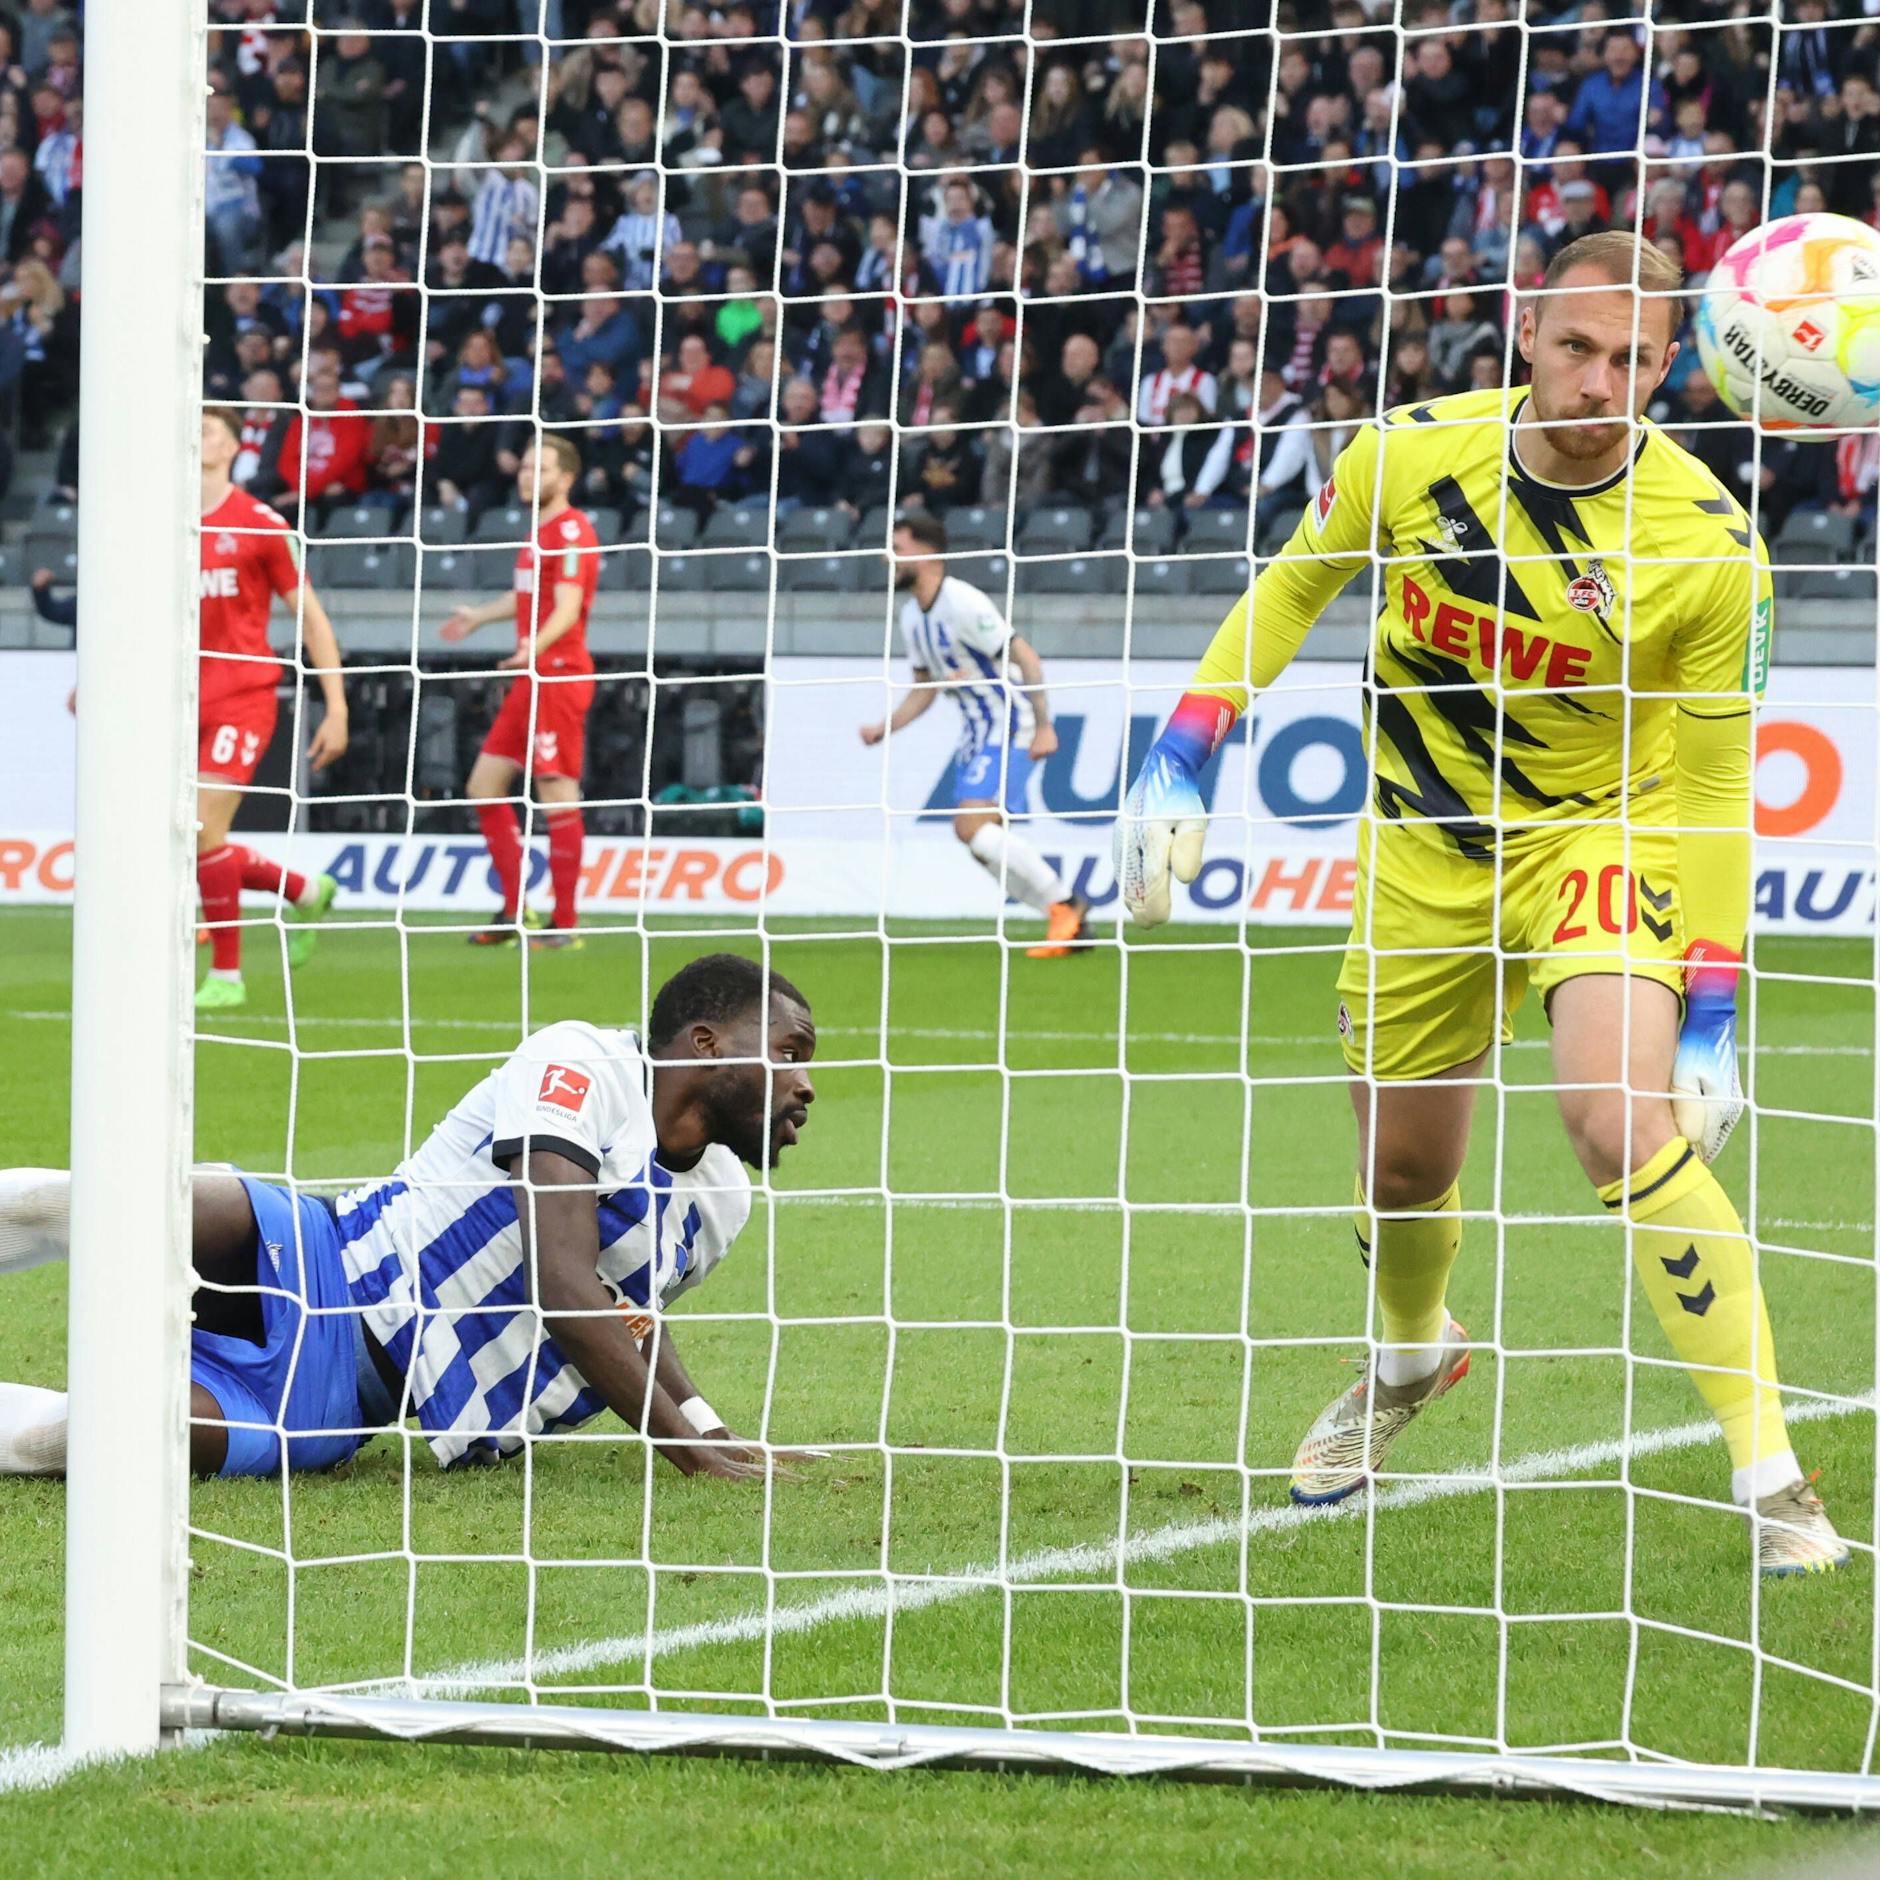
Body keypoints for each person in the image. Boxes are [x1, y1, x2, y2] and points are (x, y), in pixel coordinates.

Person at [1113, 231, 1845, 1578]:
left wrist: (1714, 1010)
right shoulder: (1405, 453)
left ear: (1673, 363)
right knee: (1403, 1171)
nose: (1598, 385)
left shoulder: (1709, 547)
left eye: (1631, 360)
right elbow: (1291, 589)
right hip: (1421, 852)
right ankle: (1410, 1358)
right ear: (1526, 333)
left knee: (1617, 1125)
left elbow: (1712, 794)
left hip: (1596, 839)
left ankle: (1773, 1477)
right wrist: (1185, 751)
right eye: (1576, 349)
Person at [0, 955, 820, 1481]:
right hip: (320, 1252)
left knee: (76, 1446)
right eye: (789, 1053)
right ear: (705, 1043)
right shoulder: (584, 1064)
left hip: (329, 1404)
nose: (807, 1084)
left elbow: (628, 1310)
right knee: (100, 1203)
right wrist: (688, 1455)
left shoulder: (721, 1198)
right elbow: (562, 1277)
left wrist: (712, 1428)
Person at [861, 514, 1090, 960]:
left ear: (928, 554)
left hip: (1011, 721)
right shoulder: (911, 616)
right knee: (978, 840)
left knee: (972, 827)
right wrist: (883, 728)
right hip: (977, 731)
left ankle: (1066, 905)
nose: (890, 558)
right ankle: (1066, 919)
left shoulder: (962, 602)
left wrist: (1044, 725)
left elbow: (1026, 657)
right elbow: (924, 690)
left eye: (899, 548)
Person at [197, 407, 346, 1013]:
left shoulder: (259, 523)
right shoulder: (159, 522)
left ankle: (227, 974)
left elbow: (308, 615)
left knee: (204, 827)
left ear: (235, 446)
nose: (197, 433)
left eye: (210, 427)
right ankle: (303, 889)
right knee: (183, 837)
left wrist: (335, 704)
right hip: (175, 699)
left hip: (243, 694)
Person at [439, 437, 600, 949]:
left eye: (541, 468)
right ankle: (515, 911)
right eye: (526, 466)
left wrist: (533, 648)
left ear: (566, 477)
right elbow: (531, 597)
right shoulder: (540, 534)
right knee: (483, 786)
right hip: (533, 674)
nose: (528, 475)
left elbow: (568, 608)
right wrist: (480, 617)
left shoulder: (572, 532)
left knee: (556, 793)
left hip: (558, 673)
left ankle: (566, 922)